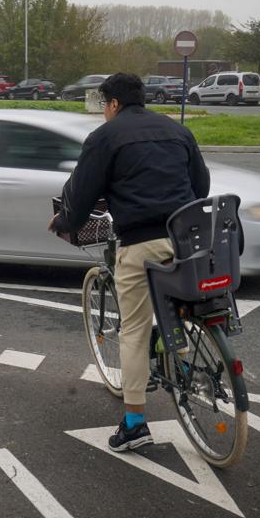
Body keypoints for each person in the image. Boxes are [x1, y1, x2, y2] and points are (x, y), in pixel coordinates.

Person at [49, 73, 210, 451]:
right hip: (187, 239)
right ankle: (183, 366)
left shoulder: (105, 137)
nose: (104, 112)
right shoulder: (176, 130)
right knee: (176, 305)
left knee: (134, 329)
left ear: (114, 104)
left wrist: (64, 221)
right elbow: (199, 185)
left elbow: (82, 191)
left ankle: (135, 423)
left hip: (141, 241)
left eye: (104, 105)